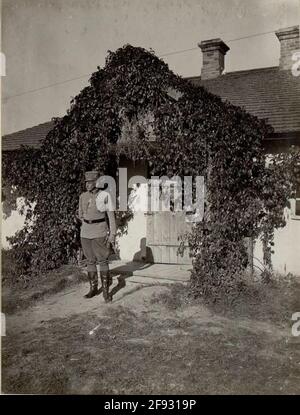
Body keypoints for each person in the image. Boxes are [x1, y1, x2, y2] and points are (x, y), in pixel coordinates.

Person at [78, 170, 116, 302]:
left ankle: (106, 292)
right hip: (86, 233)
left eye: (90, 182)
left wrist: (112, 234)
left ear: (96, 183)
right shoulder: (82, 196)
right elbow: (80, 214)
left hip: (99, 231)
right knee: (90, 261)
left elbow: (111, 216)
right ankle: (93, 289)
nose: (87, 185)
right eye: (86, 182)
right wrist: (84, 223)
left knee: (103, 260)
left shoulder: (105, 195)